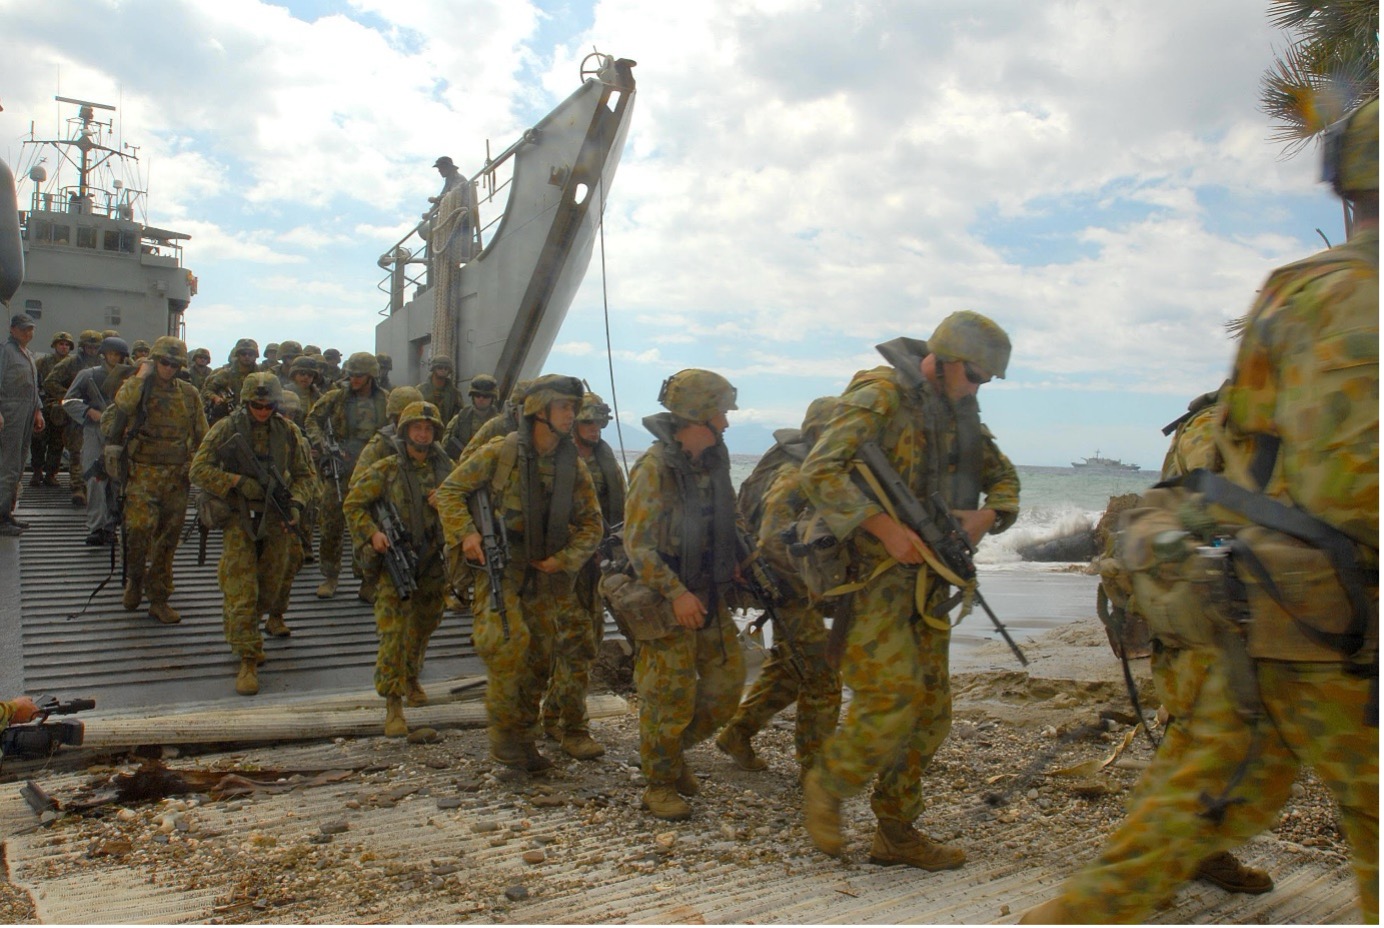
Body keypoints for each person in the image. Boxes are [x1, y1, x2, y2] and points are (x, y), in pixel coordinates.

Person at [1021, 97, 1379, 925]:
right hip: (1341, 637)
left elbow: (1238, 467)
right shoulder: (1363, 298)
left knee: (1174, 830)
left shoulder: (1291, 291)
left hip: (1261, 620)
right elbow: (1350, 487)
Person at [800, 312, 1020, 869]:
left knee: (930, 713)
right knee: (889, 699)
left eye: (985, 381)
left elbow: (1006, 478)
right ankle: (828, 784)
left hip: (929, 584)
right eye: (973, 375)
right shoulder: (879, 397)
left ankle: (895, 832)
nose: (977, 387)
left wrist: (987, 516)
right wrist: (884, 527)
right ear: (944, 359)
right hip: (873, 580)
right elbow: (820, 471)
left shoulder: (960, 410)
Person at [436, 374, 602, 772]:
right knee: (507, 647)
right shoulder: (502, 452)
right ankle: (505, 740)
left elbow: (592, 525)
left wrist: (563, 560)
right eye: (563, 406)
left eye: (573, 407)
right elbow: (449, 492)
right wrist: (468, 535)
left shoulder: (571, 466)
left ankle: (525, 738)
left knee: (540, 660)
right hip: (501, 566)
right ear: (538, 409)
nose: (571, 415)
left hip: (547, 574)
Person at [622, 369, 746, 820]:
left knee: (727, 686)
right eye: (720, 414)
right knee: (667, 696)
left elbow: (724, 520)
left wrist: (734, 557)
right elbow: (638, 545)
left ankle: (670, 756)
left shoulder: (712, 462)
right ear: (698, 415)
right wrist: (675, 593)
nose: (726, 424)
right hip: (666, 598)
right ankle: (659, 782)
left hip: (708, 593)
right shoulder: (654, 468)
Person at [716, 398, 842, 781]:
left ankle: (738, 733)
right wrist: (811, 585)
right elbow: (772, 540)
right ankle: (815, 768)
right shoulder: (795, 476)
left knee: (792, 665)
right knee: (822, 671)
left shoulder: (811, 468)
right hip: (786, 588)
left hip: (796, 588)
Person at [190, 373, 314, 696]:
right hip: (240, 516)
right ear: (247, 402)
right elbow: (199, 469)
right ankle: (247, 655)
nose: (262, 411)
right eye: (256, 405)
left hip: (275, 516)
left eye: (268, 405)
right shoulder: (227, 428)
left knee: (270, 588)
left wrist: (297, 503)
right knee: (241, 587)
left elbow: (305, 475)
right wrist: (235, 481)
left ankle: (248, 629)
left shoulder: (288, 433)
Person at [345, 401, 455, 735]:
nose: (422, 434)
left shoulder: (447, 469)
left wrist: (447, 501)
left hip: (433, 562)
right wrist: (373, 534)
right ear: (405, 431)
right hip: (395, 561)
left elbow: (469, 502)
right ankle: (393, 703)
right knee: (392, 634)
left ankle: (411, 677)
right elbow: (353, 504)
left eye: (428, 429)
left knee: (424, 626)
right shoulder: (387, 469)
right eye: (416, 428)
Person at [541, 390, 627, 760]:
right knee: (575, 645)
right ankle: (574, 729)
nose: (595, 429)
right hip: (561, 568)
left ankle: (553, 714)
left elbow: (622, 513)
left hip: (595, 568)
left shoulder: (607, 463)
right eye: (587, 422)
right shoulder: (556, 461)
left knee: (588, 642)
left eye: (599, 422)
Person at [104, 335, 209, 624]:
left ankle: (159, 598)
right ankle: (135, 581)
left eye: (175, 364)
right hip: (142, 474)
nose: (169, 368)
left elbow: (203, 436)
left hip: (176, 478)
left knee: (167, 541)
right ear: (154, 361)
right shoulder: (138, 388)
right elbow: (121, 407)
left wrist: (201, 470)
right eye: (163, 362)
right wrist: (141, 376)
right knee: (137, 531)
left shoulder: (189, 394)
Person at [306, 351, 390, 599]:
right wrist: (323, 446)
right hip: (340, 468)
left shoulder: (385, 400)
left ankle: (367, 580)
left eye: (359, 375)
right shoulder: (336, 397)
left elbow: (398, 428)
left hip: (372, 471)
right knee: (331, 523)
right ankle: (330, 577)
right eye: (351, 374)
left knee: (370, 525)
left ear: (371, 376)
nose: (353, 379)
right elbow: (312, 420)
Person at [350, 385, 423, 603]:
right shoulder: (380, 444)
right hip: (385, 512)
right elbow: (356, 485)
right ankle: (368, 582)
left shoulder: (425, 442)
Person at [63, 336, 133, 546]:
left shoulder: (131, 379)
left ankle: (111, 527)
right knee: (94, 479)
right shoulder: (88, 375)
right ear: (104, 354)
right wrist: (88, 411)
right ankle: (96, 527)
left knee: (117, 482)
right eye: (111, 353)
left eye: (118, 355)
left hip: (121, 435)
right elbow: (68, 401)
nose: (114, 358)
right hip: (94, 432)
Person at [43, 328, 103, 505]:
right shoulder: (70, 363)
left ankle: (94, 486)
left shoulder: (104, 365)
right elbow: (49, 382)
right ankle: (78, 487)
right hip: (77, 414)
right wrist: (70, 396)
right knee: (76, 452)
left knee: (97, 451)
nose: (92, 350)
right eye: (88, 347)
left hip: (98, 413)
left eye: (95, 347)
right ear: (82, 347)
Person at [0, 312, 44, 535]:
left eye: (31, 328)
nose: (29, 332)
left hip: (26, 412)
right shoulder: (5, 352)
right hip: (10, 412)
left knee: (18, 466)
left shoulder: (27, 354)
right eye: (24, 328)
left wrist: (38, 411)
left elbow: (33, 388)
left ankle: (8, 512)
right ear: (12, 330)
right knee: (7, 466)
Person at [29, 330, 73, 488]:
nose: (63, 347)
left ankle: (51, 474)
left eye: (67, 345)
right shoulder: (43, 362)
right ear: (54, 345)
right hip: (45, 405)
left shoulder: (72, 363)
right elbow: (33, 379)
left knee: (57, 442)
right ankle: (37, 471)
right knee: (38, 440)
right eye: (61, 344)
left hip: (62, 407)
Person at [442, 373, 501, 458]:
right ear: (472, 396)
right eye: (477, 395)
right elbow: (446, 447)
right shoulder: (459, 419)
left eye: (486, 396)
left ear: (492, 398)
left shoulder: (499, 422)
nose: (481, 399)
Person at [202, 339, 261, 424]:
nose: (247, 356)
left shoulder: (261, 376)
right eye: (243, 354)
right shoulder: (226, 374)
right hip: (228, 419)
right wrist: (216, 398)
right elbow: (207, 390)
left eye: (250, 354)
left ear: (255, 356)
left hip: (255, 418)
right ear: (238, 355)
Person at [417, 356, 465, 427]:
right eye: (440, 367)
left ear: (449, 371)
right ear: (433, 368)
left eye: (446, 368)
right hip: (424, 431)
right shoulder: (420, 391)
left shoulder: (455, 394)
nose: (443, 370)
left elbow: (459, 418)